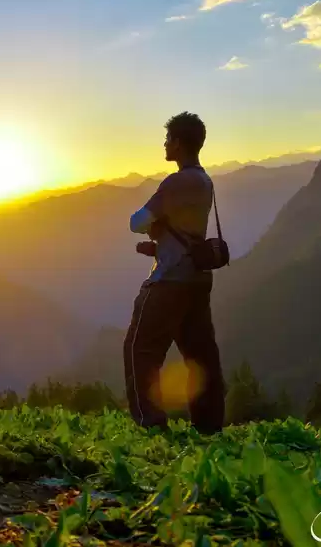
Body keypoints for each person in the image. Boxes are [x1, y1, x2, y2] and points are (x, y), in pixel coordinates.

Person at [123, 111, 225, 434]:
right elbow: (187, 229)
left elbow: (136, 221)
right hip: (197, 281)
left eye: (168, 139)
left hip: (169, 281)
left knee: (141, 348)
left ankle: (151, 423)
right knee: (200, 355)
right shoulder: (205, 180)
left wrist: (153, 229)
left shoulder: (177, 181)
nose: (165, 144)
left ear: (178, 144)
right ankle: (208, 426)